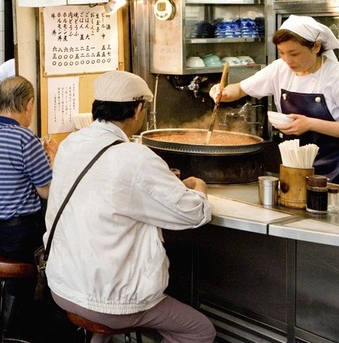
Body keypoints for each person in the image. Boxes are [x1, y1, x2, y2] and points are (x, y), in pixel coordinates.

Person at [46, 70, 215, 343]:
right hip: (108, 301)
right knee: (199, 330)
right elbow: (194, 213)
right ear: (138, 110)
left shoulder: (71, 143)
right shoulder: (135, 158)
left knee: (103, 310)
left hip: (61, 285)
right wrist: (199, 188)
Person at [211, 15, 339, 187]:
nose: (287, 60)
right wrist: (225, 92)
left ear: (316, 47)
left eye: (294, 53)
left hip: (336, 175)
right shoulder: (279, 69)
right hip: (294, 172)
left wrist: (310, 124)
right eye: (282, 53)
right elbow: (241, 89)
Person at [0, 75, 52, 340]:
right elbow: (46, 191)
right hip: (19, 238)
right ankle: (27, 330)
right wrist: (54, 158)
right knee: (61, 254)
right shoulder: (25, 139)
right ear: (28, 104)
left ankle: (13, 322)